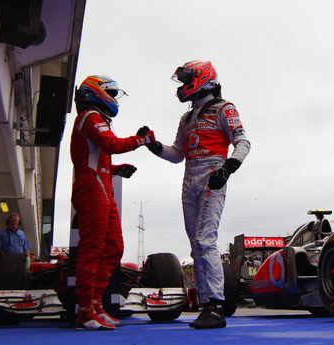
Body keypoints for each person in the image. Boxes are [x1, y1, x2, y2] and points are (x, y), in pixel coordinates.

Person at [142, 60, 250, 329]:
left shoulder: (225, 108)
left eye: (186, 80)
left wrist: (227, 168)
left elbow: (243, 142)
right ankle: (206, 306)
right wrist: (154, 146)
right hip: (189, 177)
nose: (182, 86)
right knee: (195, 244)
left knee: (205, 239)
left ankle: (215, 306)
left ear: (202, 78)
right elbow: (177, 154)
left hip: (213, 172)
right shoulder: (186, 118)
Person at [70, 75, 154, 330]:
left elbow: (99, 157)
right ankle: (84, 310)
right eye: (112, 94)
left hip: (100, 183)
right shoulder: (90, 117)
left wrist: (116, 170)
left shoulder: (96, 118)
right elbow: (111, 144)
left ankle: (95, 304)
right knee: (92, 248)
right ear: (96, 92)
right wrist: (142, 140)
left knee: (114, 247)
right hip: (92, 186)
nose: (115, 99)